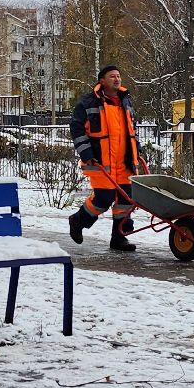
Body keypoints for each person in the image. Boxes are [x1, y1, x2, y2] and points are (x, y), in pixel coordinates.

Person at [68, 65, 142, 252]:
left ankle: (119, 238)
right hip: (101, 162)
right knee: (104, 198)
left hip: (125, 162)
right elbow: (77, 130)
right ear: (102, 81)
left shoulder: (126, 101)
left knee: (126, 201)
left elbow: (132, 131)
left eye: (118, 76)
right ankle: (78, 220)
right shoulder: (88, 103)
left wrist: (137, 150)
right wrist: (86, 154)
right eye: (112, 76)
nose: (117, 79)